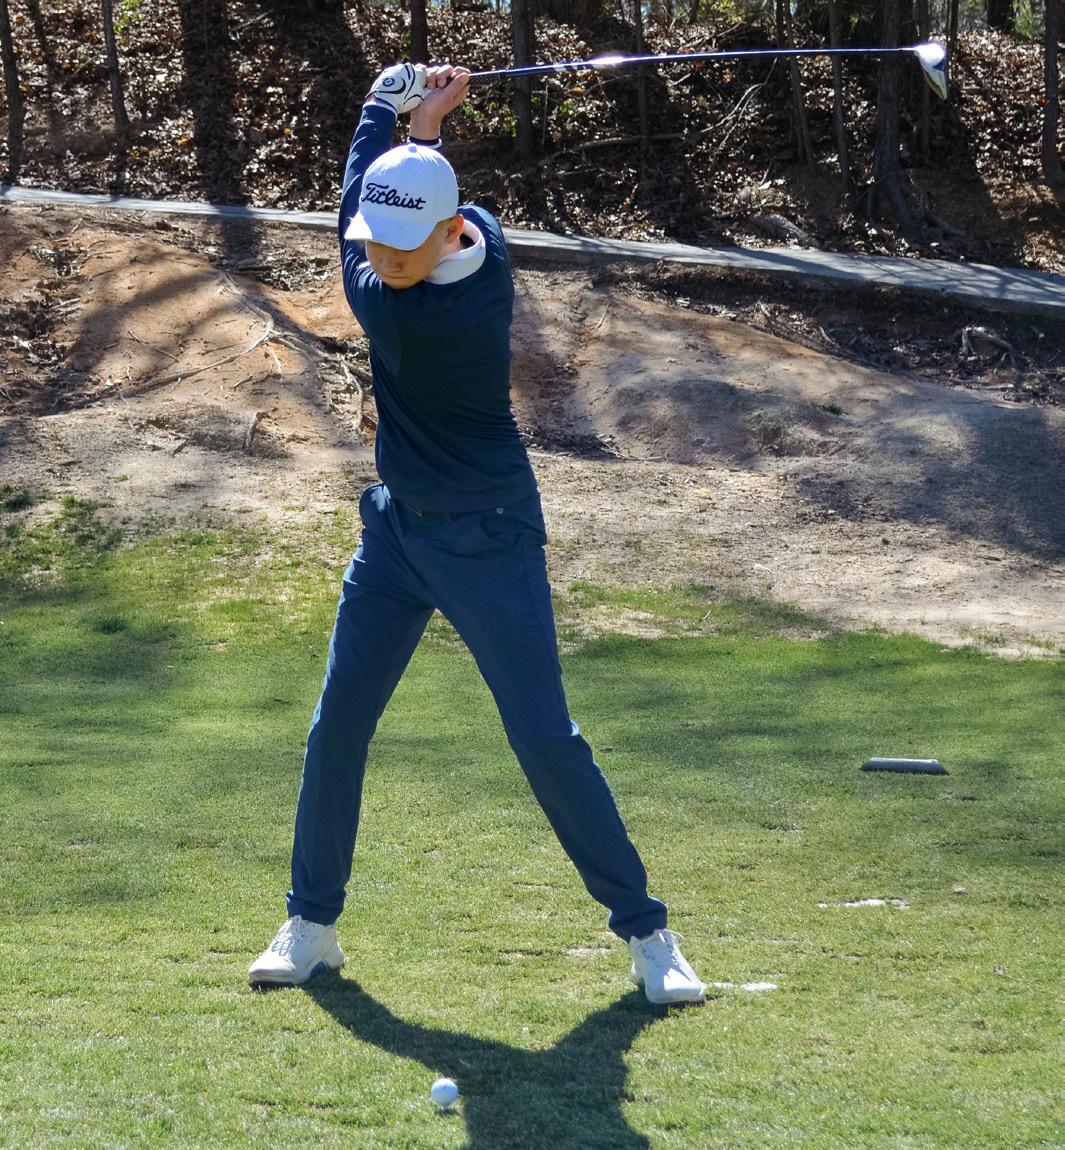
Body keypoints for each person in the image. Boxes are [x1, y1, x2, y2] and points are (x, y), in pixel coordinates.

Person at [249, 62, 705, 1006]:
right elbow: (370, 200)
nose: (382, 259)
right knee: (337, 725)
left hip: (488, 537)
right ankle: (311, 924)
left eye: (402, 245)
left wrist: (387, 109)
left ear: (450, 231)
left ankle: (647, 933)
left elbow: (357, 194)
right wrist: (413, 128)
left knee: (543, 737)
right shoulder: (479, 244)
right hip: (394, 538)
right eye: (377, 243)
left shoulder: (412, 308)